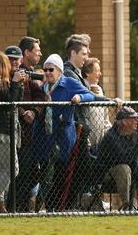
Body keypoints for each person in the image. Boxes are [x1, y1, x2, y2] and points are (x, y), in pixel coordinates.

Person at [32, 54, 94, 212]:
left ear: (59, 70)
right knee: (45, 173)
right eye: (45, 69)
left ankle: (57, 208)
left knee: (61, 173)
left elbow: (90, 95)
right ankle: (43, 205)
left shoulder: (69, 83)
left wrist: (79, 97)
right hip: (45, 137)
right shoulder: (42, 88)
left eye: (50, 69)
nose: (47, 72)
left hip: (64, 136)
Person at [0, 52, 25, 213]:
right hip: (2, 131)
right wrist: (15, 84)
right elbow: (9, 103)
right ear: (2, 66)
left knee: (2, 169)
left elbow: (16, 101)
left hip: (6, 130)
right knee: (13, 168)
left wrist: (19, 84)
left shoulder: (3, 82)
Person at [11, 36, 47, 212]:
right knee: (18, 172)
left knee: (31, 172)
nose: (40, 53)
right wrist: (23, 113)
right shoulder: (17, 73)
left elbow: (42, 97)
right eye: (37, 50)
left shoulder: (32, 74)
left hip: (30, 133)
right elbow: (11, 99)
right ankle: (14, 207)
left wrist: (34, 111)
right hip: (15, 131)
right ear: (26, 52)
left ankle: (24, 206)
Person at [97, 107, 138, 211]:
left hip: (131, 172)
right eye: (133, 118)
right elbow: (124, 159)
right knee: (123, 168)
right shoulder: (111, 137)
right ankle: (127, 206)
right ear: (124, 121)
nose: (137, 120)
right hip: (108, 176)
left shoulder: (133, 135)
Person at [81, 57, 113, 148]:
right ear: (87, 73)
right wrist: (86, 143)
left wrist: (113, 135)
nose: (100, 74)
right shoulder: (82, 90)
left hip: (100, 145)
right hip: (86, 145)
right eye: (97, 71)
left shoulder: (100, 90)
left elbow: (105, 119)